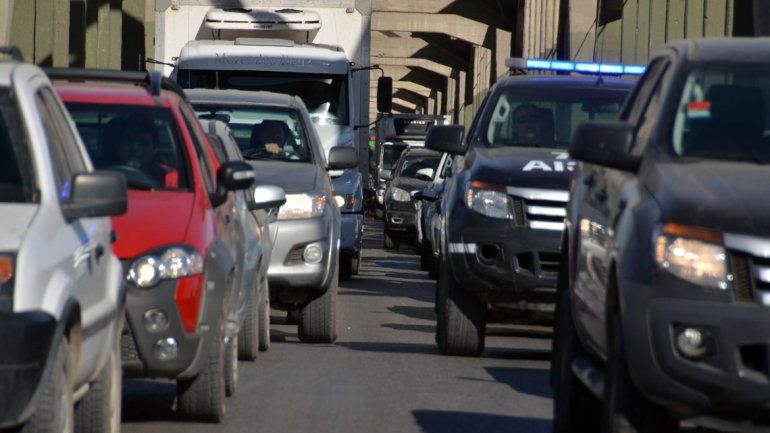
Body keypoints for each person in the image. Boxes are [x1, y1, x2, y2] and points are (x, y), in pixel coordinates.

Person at [113, 117, 179, 188]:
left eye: (143, 142)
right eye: (129, 140)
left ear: (154, 149)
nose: (135, 147)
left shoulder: (169, 177)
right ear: (119, 145)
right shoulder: (103, 173)